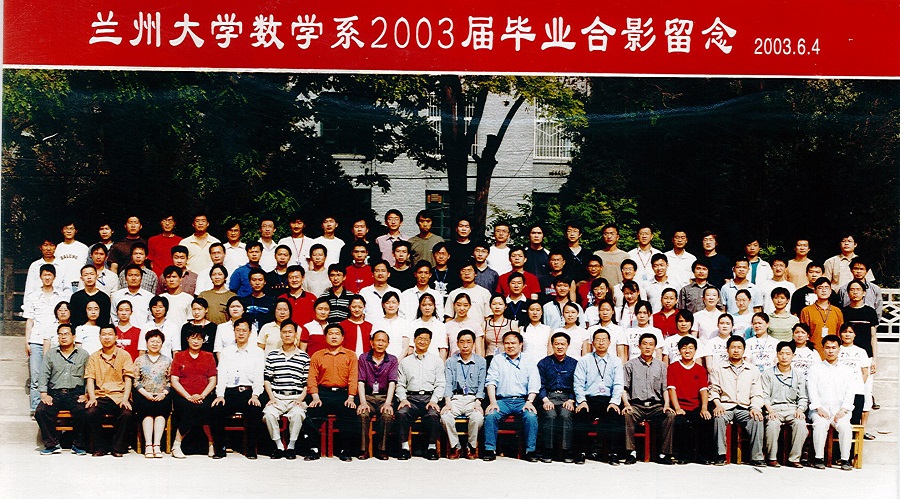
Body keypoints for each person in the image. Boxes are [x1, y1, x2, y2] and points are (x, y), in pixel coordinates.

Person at [482, 331, 541, 462]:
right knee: (491, 414)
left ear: (520, 344)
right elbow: (491, 382)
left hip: (522, 401)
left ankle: (530, 451)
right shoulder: (497, 359)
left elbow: (534, 383)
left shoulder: (529, 360)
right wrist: (493, 402)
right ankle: (489, 449)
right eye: (507, 343)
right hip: (502, 401)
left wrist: (530, 401)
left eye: (513, 343)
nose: (510, 346)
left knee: (531, 416)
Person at [304, 323, 360, 461]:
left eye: (337, 334)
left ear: (342, 337)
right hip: (323, 393)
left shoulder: (351, 355)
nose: (334, 337)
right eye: (330, 334)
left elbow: (353, 378)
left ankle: (345, 449)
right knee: (311, 413)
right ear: (325, 337)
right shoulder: (317, 355)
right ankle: (313, 448)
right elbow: (312, 378)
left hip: (344, 394)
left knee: (350, 413)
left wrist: (351, 397)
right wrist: (315, 397)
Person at [210, 318, 264, 459]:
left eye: (244, 331)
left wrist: (255, 395)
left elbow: (259, 376)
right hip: (230, 392)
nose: (241, 333)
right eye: (238, 330)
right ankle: (219, 449)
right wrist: (220, 395)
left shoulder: (257, 352)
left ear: (250, 333)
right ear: (234, 332)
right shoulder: (227, 352)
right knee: (216, 409)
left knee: (255, 409)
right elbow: (222, 375)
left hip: (249, 392)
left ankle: (251, 450)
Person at [709, 336, 765, 466]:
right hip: (725, 406)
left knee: (757, 419)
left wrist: (755, 407)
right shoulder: (718, 368)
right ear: (727, 349)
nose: (736, 350)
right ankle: (720, 455)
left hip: (745, 408)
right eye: (733, 347)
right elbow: (714, 389)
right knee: (718, 417)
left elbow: (757, 392)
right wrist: (718, 404)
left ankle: (756, 456)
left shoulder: (752, 369)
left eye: (739, 348)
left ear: (744, 350)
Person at [35, 324, 90, 455]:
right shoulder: (51, 354)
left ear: (73, 336)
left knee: (84, 411)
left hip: (75, 393)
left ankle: (78, 445)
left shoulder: (83, 354)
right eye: (60, 334)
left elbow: (89, 376)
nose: (63, 337)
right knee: (41, 411)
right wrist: (44, 394)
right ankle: (52, 444)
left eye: (66, 334)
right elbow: (44, 375)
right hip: (55, 393)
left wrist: (87, 394)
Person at [622, 332, 676, 464]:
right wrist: (626, 404)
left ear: (655, 347)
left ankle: (664, 453)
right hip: (636, 405)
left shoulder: (661, 366)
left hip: (655, 406)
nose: (647, 347)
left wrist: (667, 405)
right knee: (628, 415)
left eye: (651, 344)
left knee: (670, 415)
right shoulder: (630, 365)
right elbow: (624, 388)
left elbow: (665, 389)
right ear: (639, 346)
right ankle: (631, 452)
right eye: (645, 344)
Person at [573, 328, 624, 465]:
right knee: (581, 414)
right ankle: (581, 452)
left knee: (615, 415)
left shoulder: (616, 361)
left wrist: (614, 402)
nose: (601, 343)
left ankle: (613, 453)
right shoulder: (584, 360)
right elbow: (578, 383)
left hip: (608, 399)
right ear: (593, 342)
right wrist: (582, 401)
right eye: (598, 340)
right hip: (589, 399)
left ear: (609, 342)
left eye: (604, 340)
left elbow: (618, 384)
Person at [23, 264, 70, 413]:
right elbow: (30, 320)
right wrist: (27, 341)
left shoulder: (61, 296)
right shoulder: (33, 296)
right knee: (37, 375)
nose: (47, 277)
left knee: (54, 375)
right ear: (40, 277)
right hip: (36, 340)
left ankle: (49, 407)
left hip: (55, 340)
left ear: (54, 277)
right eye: (45, 275)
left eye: (50, 275)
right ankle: (35, 408)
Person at [262, 321, 311, 460]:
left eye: (290, 332)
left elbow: (306, 383)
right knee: (269, 414)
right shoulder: (272, 355)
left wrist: (300, 399)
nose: (287, 335)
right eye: (284, 332)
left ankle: (291, 447)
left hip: (296, 397)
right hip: (277, 397)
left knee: (298, 414)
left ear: (296, 334)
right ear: (280, 334)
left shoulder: (304, 357)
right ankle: (279, 446)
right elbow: (267, 379)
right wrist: (271, 398)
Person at [84, 326, 135, 457]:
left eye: (110, 334)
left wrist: (125, 399)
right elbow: (90, 379)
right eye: (104, 334)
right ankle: (100, 447)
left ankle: (118, 447)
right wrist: (92, 398)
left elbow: (128, 379)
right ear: (99, 337)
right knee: (90, 412)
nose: (107, 337)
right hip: (101, 395)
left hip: (119, 395)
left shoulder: (124, 355)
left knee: (126, 413)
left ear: (116, 337)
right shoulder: (94, 357)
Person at [807, 335, 856, 470]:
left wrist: (843, 410)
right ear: (823, 349)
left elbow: (850, 392)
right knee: (820, 424)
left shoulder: (847, 370)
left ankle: (845, 459)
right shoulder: (815, 369)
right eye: (827, 348)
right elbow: (812, 390)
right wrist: (818, 408)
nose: (830, 351)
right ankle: (818, 458)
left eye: (834, 348)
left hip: (840, 410)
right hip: (820, 410)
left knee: (845, 426)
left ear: (839, 349)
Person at [396, 328, 445, 460]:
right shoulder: (405, 362)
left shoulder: (437, 361)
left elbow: (440, 384)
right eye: (420, 339)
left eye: (426, 339)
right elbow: (400, 384)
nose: (422, 342)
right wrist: (403, 399)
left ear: (430, 342)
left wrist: (434, 400)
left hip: (430, 398)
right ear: (414, 340)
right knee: (402, 413)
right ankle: (404, 448)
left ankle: (432, 448)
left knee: (433, 415)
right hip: (411, 398)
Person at [170, 329, 218, 458]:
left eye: (199, 339)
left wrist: (202, 395)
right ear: (187, 339)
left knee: (206, 408)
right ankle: (176, 445)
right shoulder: (179, 356)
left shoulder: (209, 356)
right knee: (190, 408)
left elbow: (212, 380)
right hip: (183, 395)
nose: (196, 342)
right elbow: (174, 380)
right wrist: (188, 396)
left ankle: (211, 444)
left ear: (203, 341)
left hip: (204, 394)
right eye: (193, 338)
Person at [667, 336, 714, 464]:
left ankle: (703, 456)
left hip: (696, 406)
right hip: (680, 406)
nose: (687, 351)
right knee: (681, 422)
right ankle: (684, 456)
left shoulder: (700, 369)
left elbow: (703, 390)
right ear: (679, 351)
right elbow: (671, 389)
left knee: (707, 420)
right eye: (684, 348)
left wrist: (704, 408)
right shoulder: (673, 367)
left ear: (695, 350)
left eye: (690, 348)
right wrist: (677, 408)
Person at [761, 341, 808, 468]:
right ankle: (771, 458)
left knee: (800, 424)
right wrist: (770, 411)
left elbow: (803, 397)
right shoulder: (767, 374)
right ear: (777, 354)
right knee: (772, 425)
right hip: (774, 409)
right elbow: (764, 396)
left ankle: (794, 458)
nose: (784, 357)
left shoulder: (799, 375)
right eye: (781, 353)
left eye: (788, 354)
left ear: (793, 355)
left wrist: (800, 410)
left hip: (792, 409)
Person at [441, 329, 486, 460]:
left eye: (468, 342)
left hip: (473, 399)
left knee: (477, 418)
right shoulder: (450, 361)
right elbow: (447, 383)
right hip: (455, 398)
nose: (465, 345)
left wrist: (478, 402)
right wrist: (448, 402)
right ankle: (456, 446)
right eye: (462, 342)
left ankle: (471, 446)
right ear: (457, 344)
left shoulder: (481, 361)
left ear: (473, 344)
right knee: (445, 417)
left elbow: (482, 384)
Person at [356, 330, 398, 460]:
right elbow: (360, 381)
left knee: (387, 414)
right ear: (372, 342)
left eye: (383, 341)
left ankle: (382, 449)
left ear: (388, 344)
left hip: (384, 397)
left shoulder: (392, 360)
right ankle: (364, 449)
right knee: (363, 413)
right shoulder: (364, 358)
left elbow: (392, 382)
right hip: (367, 397)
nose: (380, 343)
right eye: (378, 340)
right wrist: (362, 402)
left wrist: (388, 403)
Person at [536, 332, 577, 462]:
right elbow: (539, 384)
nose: (559, 347)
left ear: (568, 345)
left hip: (567, 397)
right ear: (552, 345)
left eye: (562, 344)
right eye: (556, 344)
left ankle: (566, 451)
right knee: (550, 414)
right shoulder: (543, 363)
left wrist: (571, 399)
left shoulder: (574, 363)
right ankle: (548, 451)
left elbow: (578, 384)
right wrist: (545, 400)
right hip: (549, 397)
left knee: (566, 414)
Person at [132, 329, 172, 459]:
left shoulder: (167, 360)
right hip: (144, 394)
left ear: (162, 344)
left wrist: (164, 393)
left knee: (161, 412)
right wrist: (146, 394)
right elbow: (135, 381)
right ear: (146, 343)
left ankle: (157, 445)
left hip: (162, 394)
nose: (155, 344)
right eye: (152, 341)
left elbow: (170, 380)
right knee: (147, 411)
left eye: (158, 342)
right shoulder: (139, 360)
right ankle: (148, 445)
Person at [837, 323, 872, 439]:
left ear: (855, 334)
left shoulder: (861, 351)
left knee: (855, 421)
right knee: (839, 422)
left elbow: (865, 373)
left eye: (850, 332)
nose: (847, 335)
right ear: (840, 334)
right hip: (839, 392)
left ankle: (852, 450)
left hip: (857, 391)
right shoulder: (836, 350)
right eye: (845, 332)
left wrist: (856, 386)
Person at [799, 277, 844, 356]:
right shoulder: (806, 311)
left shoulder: (837, 311)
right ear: (815, 291)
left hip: (832, 353)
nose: (823, 290)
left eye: (826, 288)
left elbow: (840, 333)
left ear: (830, 291)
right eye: (820, 288)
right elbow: (803, 334)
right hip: (813, 352)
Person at [444, 293, 484, 358]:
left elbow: (479, 350)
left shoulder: (476, 325)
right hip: (453, 362)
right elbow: (445, 350)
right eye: (458, 305)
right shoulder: (447, 326)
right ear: (453, 305)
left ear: (470, 306)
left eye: (465, 305)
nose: (462, 308)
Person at [55, 221, 91, 293]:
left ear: (76, 231)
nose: (69, 231)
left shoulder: (83, 248)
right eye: (66, 228)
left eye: (71, 228)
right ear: (62, 231)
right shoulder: (57, 248)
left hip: (79, 284)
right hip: (61, 285)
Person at [409, 293, 447, 359]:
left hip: (434, 361)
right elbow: (411, 347)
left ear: (434, 306)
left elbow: (443, 349)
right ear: (419, 307)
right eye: (424, 305)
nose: (427, 308)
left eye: (430, 305)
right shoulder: (413, 325)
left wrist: (440, 364)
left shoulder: (440, 326)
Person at [484, 293, 519, 361]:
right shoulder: (485, 324)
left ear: (505, 306)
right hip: (489, 359)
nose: (497, 307)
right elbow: (482, 347)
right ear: (490, 306)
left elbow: (517, 345)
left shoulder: (512, 324)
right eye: (494, 304)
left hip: (507, 359)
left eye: (500, 304)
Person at [147, 213, 181, 277]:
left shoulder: (180, 241)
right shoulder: (152, 240)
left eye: (170, 221)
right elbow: (151, 261)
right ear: (160, 223)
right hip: (157, 276)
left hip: (173, 277)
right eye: (164, 220)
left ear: (174, 223)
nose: (167, 223)